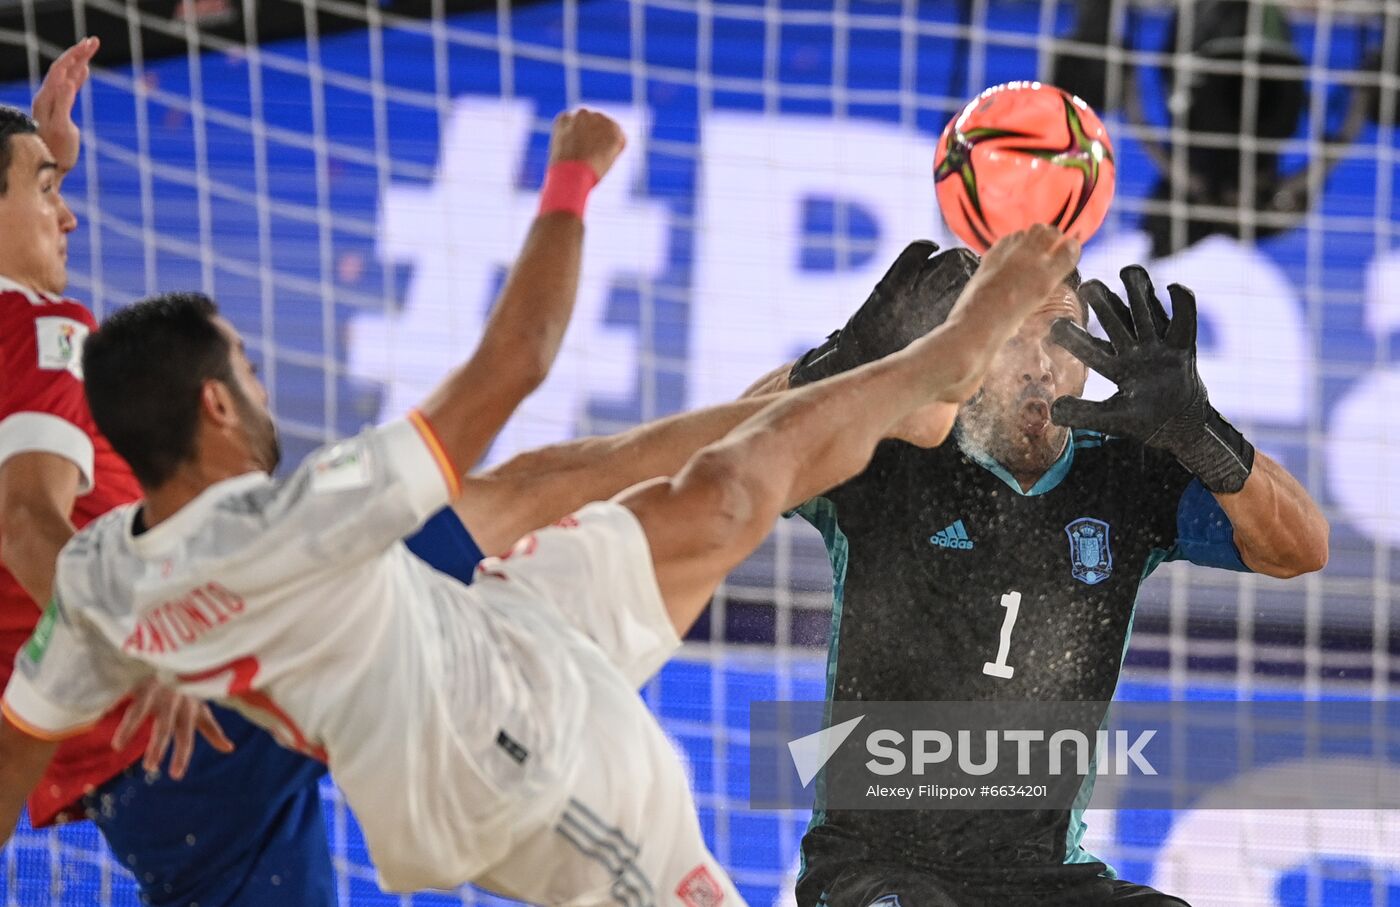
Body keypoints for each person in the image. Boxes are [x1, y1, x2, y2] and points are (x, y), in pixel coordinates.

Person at [0, 219, 1081, 901]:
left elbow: (22, 727)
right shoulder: (292, 519)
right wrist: (571, 181)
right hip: (494, 763)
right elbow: (514, 361)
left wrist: (150, 657)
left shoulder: (107, 571)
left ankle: (898, 376)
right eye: (247, 364)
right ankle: (899, 374)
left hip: (485, 621)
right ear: (216, 404)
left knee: (714, 496)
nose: (265, 378)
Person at [0, 40, 482, 906]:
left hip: (131, 771)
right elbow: (28, 524)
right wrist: (162, 649)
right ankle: (778, 424)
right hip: (180, 705)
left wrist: (39, 156)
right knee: (480, 506)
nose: (66, 215)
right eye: (46, 193)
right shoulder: (36, 326)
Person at [741, 243, 1330, 906]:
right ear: (966, 356)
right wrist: (837, 367)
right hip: (876, 866)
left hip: (1045, 876)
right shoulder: (891, 455)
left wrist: (1201, 435)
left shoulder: (1127, 475)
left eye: (1063, 339)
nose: (1043, 367)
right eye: (1013, 339)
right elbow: (726, 457)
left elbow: (1301, 549)